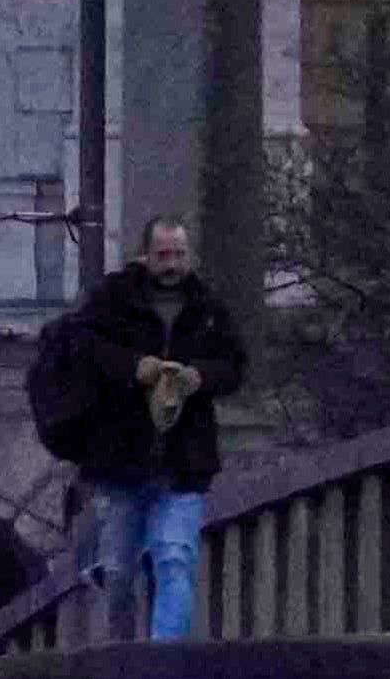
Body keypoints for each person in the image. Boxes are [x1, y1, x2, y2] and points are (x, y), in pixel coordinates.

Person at [30, 216, 247, 639]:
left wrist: (199, 377)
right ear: (146, 256)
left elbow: (235, 365)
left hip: (184, 463)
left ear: (190, 256)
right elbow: (83, 350)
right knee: (119, 575)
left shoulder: (208, 308)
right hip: (119, 461)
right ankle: (124, 655)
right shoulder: (112, 301)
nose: (171, 264)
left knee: (174, 557)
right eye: (163, 255)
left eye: (179, 254)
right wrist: (136, 368)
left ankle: (163, 664)